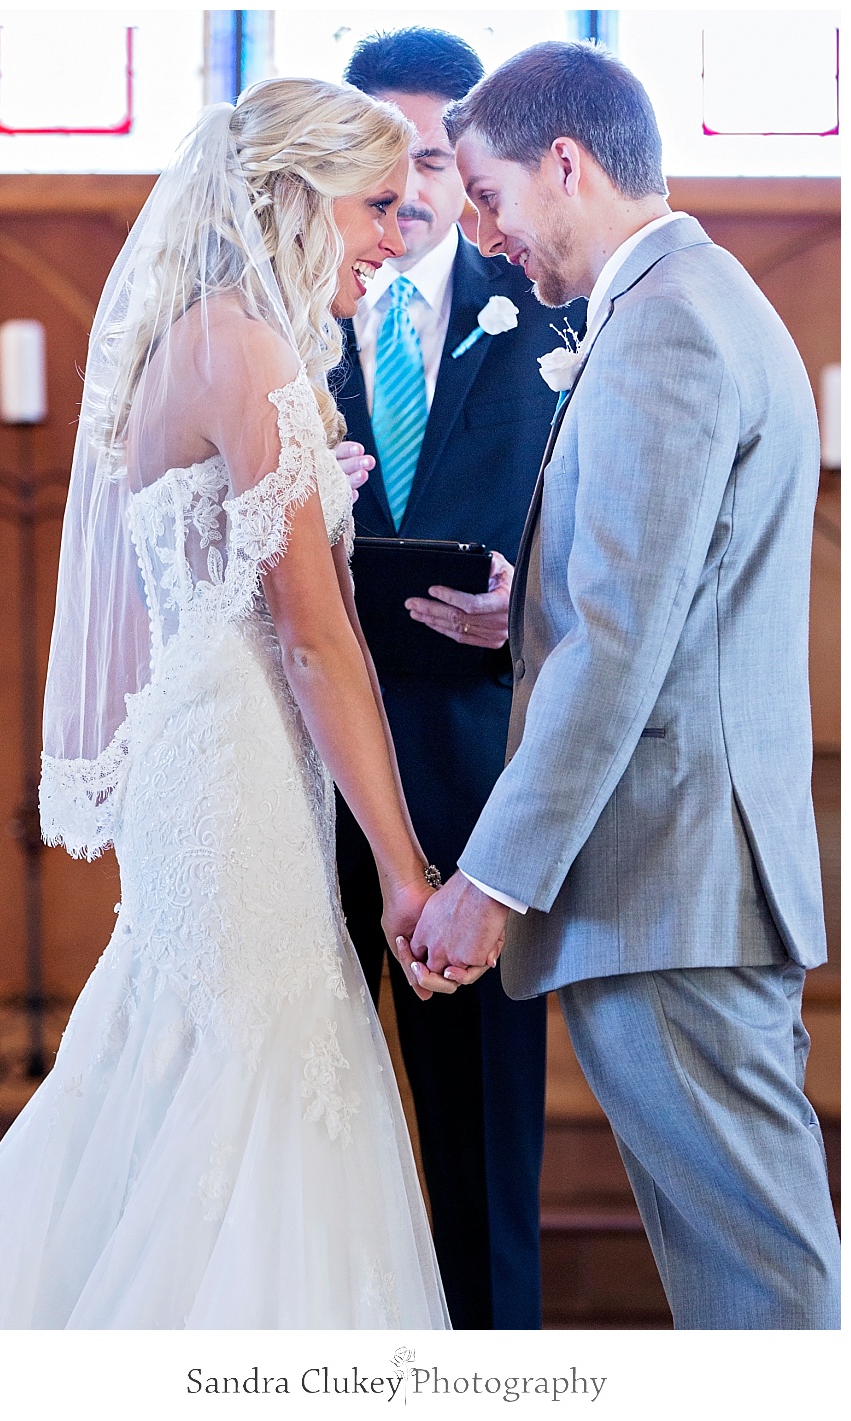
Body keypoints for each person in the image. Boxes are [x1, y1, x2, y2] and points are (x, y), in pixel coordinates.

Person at [0, 78, 453, 1330]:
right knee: (264, 1053)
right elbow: (313, 637)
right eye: (377, 207)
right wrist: (405, 867)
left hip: (203, 748)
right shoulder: (259, 351)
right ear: (296, 194)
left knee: (183, 1051)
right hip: (241, 766)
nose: (396, 238)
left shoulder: (188, 335)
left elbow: (213, 563)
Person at [411, 40, 841, 1329]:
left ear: (565, 161)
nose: (480, 234)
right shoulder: (698, 301)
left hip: (671, 881)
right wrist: (524, 613)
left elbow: (620, 644)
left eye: (485, 192)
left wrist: (489, 881)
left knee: (758, 1280)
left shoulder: (665, 328)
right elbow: (655, 602)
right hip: (685, 878)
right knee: (740, 1271)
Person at [333, 27, 586, 1330]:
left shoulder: (554, 310)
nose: (411, 188)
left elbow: (613, 552)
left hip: (478, 792)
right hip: (305, 787)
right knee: (303, 1147)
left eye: (433, 155)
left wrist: (524, 611)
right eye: (383, 155)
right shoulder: (288, 313)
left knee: (482, 1166)